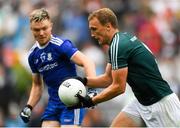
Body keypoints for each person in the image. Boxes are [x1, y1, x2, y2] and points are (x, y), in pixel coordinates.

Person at [70, 8, 180, 127]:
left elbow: (118, 87)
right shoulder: (119, 41)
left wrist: (91, 101)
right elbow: (108, 79)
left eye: (94, 29)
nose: (92, 34)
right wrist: (83, 81)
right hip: (141, 102)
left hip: (161, 104)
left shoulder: (119, 45)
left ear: (108, 26)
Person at [19, 8, 96, 127]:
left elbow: (87, 62)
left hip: (72, 100)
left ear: (51, 26)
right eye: (37, 29)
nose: (41, 33)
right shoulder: (32, 55)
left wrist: (91, 90)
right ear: (31, 29)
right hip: (53, 103)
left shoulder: (61, 45)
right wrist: (29, 106)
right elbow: (38, 85)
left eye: (44, 28)